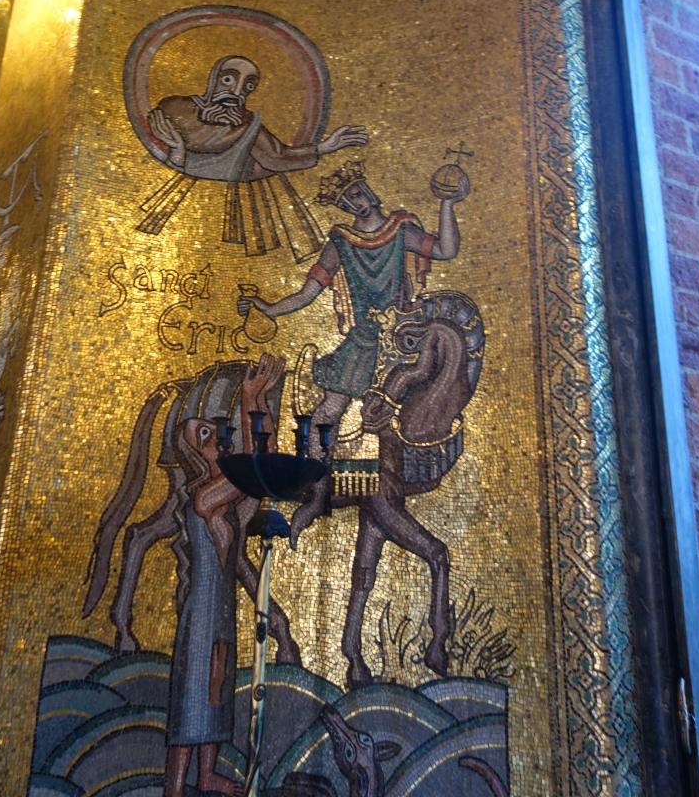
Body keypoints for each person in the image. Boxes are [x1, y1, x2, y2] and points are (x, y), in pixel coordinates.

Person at [236, 160, 468, 538]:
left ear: (369, 191)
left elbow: (445, 249)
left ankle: (407, 474)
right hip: (362, 342)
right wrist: (269, 308)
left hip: (401, 337)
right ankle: (314, 488)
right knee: (327, 412)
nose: (355, 203)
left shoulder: (399, 230)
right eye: (346, 201)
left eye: (357, 193)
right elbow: (307, 293)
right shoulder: (341, 241)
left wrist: (447, 204)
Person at [164, 355, 284, 797]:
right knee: (195, 689)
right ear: (194, 455)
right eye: (203, 434)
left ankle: (206, 775)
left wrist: (259, 402)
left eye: (213, 429)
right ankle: (175, 786)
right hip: (202, 612)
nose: (214, 435)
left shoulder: (226, 496)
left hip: (221, 608)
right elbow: (251, 470)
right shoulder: (204, 498)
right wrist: (249, 398)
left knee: (217, 687)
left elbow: (263, 462)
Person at [147, 55, 366, 183]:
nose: (236, 91)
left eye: (247, 85)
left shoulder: (247, 123)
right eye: (228, 80)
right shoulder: (177, 108)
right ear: (214, 79)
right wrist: (177, 152)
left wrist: (323, 148)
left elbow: (277, 156)